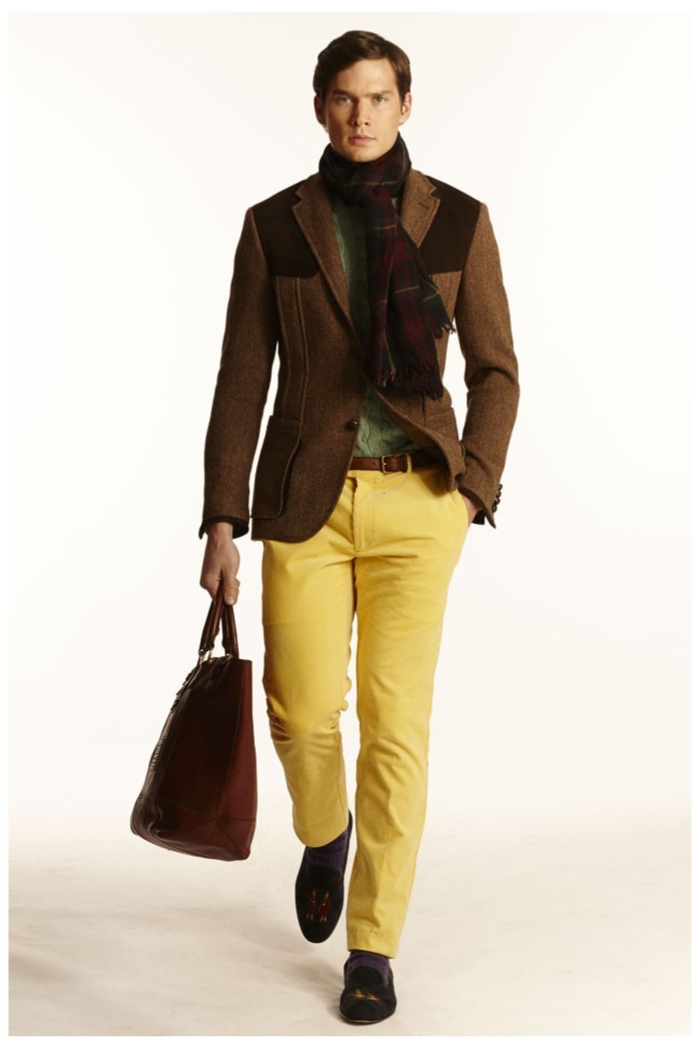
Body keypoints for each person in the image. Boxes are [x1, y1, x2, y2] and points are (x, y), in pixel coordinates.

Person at [199, 29, 519, 1025]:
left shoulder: (457, 220)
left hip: (420, 499)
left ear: (406, 105)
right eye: (344, 97)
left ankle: (372, 943)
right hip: (306, 498)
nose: (362, 115)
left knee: (395, 725)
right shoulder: (276, 226)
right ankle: (324, 829)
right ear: (320, 108)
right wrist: (222, 519)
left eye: (379, 97)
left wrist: (472, 483)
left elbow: (497, 370)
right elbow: (241, 379)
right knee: (299, 710)